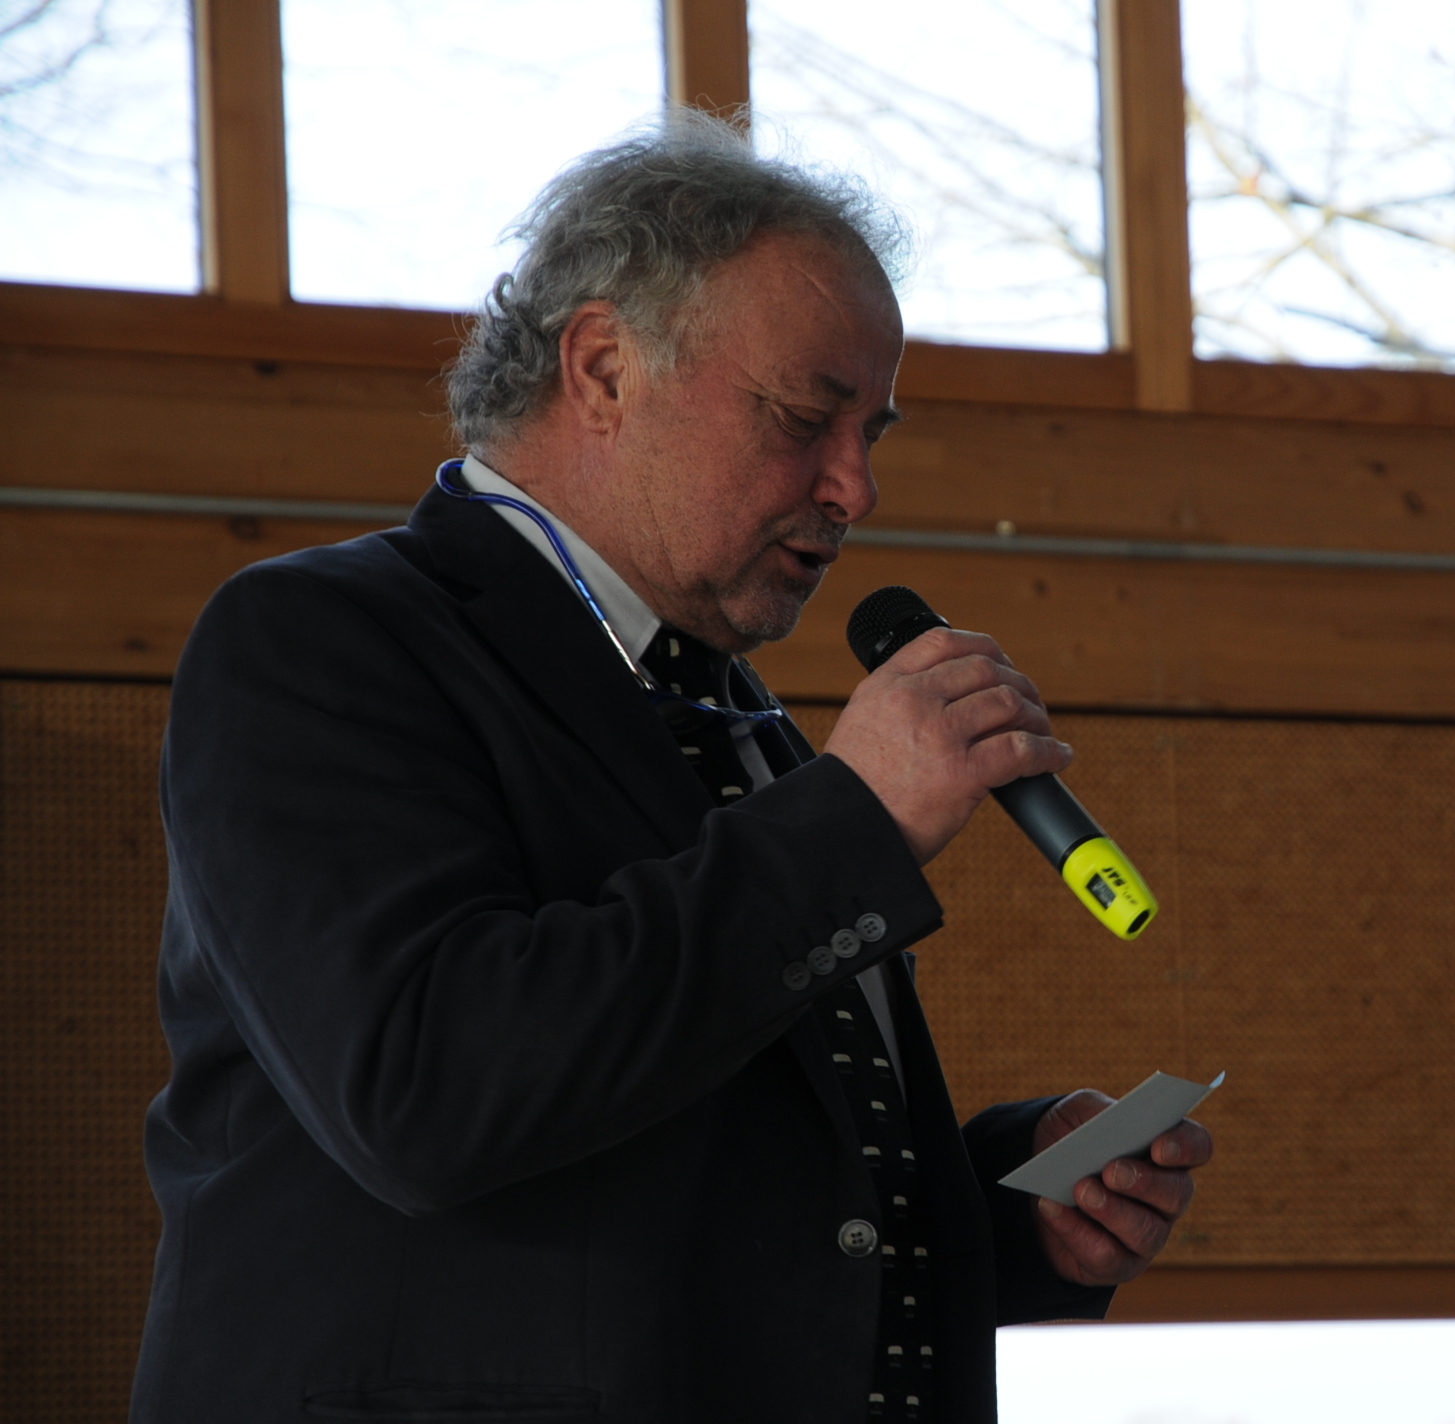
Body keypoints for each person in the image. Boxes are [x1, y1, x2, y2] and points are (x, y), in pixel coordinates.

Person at [133, 112, 1212, 1423]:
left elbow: (699, 1154)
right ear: (603, 367)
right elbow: (428, 1095)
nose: (856, 488)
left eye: (873, 432)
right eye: (805, 417)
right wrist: (852, 821)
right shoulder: (322, 639)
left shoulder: (726, 710)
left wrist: (1010, 1207)